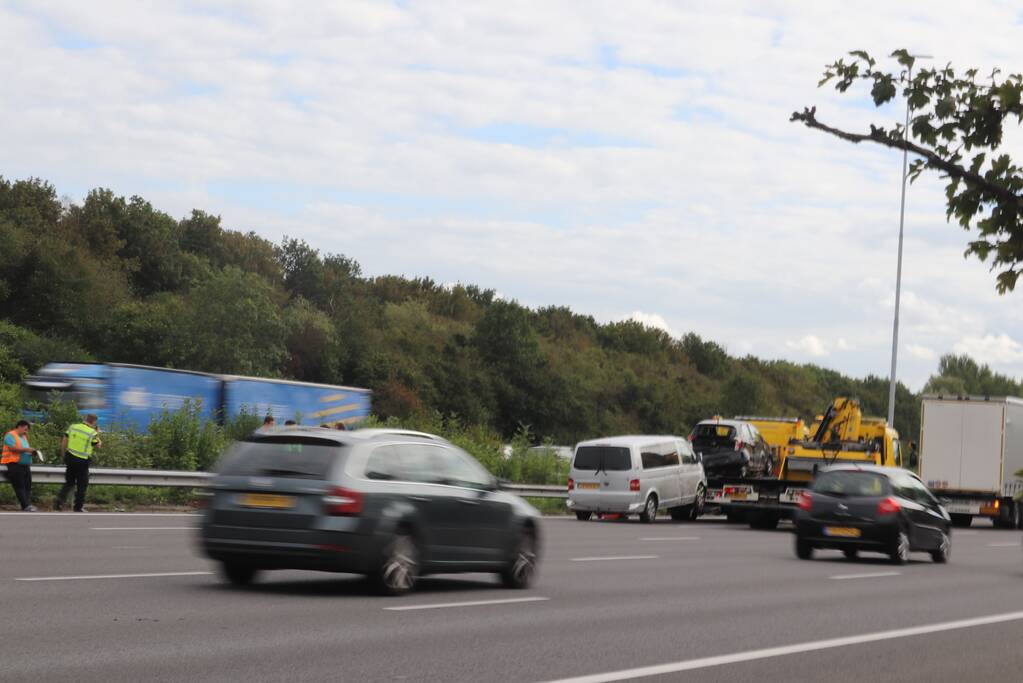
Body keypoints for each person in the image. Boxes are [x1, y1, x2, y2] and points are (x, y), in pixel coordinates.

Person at [54, 414, 102, 512]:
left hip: (70, 458)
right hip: (82, 460)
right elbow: (98, 446)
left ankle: (58, 503)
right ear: (94, 422)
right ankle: (78, 507)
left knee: (69, 482)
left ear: (85, 419)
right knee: (82, 484)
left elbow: (64, 441)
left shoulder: (73, 427)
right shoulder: (92, 432)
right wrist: (97, 434)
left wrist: (63, 454)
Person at [3, 420, 40, 511]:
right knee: (19, 486)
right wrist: (28, 449)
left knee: (27, 485)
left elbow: (24, 449)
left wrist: (32, 452)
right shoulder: (10, 435)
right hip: (14, 464)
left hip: (25, 464)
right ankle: (26, 505)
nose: (26, 431)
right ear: (19, 426)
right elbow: (13, 448)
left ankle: (26, 505)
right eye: (25, 429)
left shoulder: (23, 437)